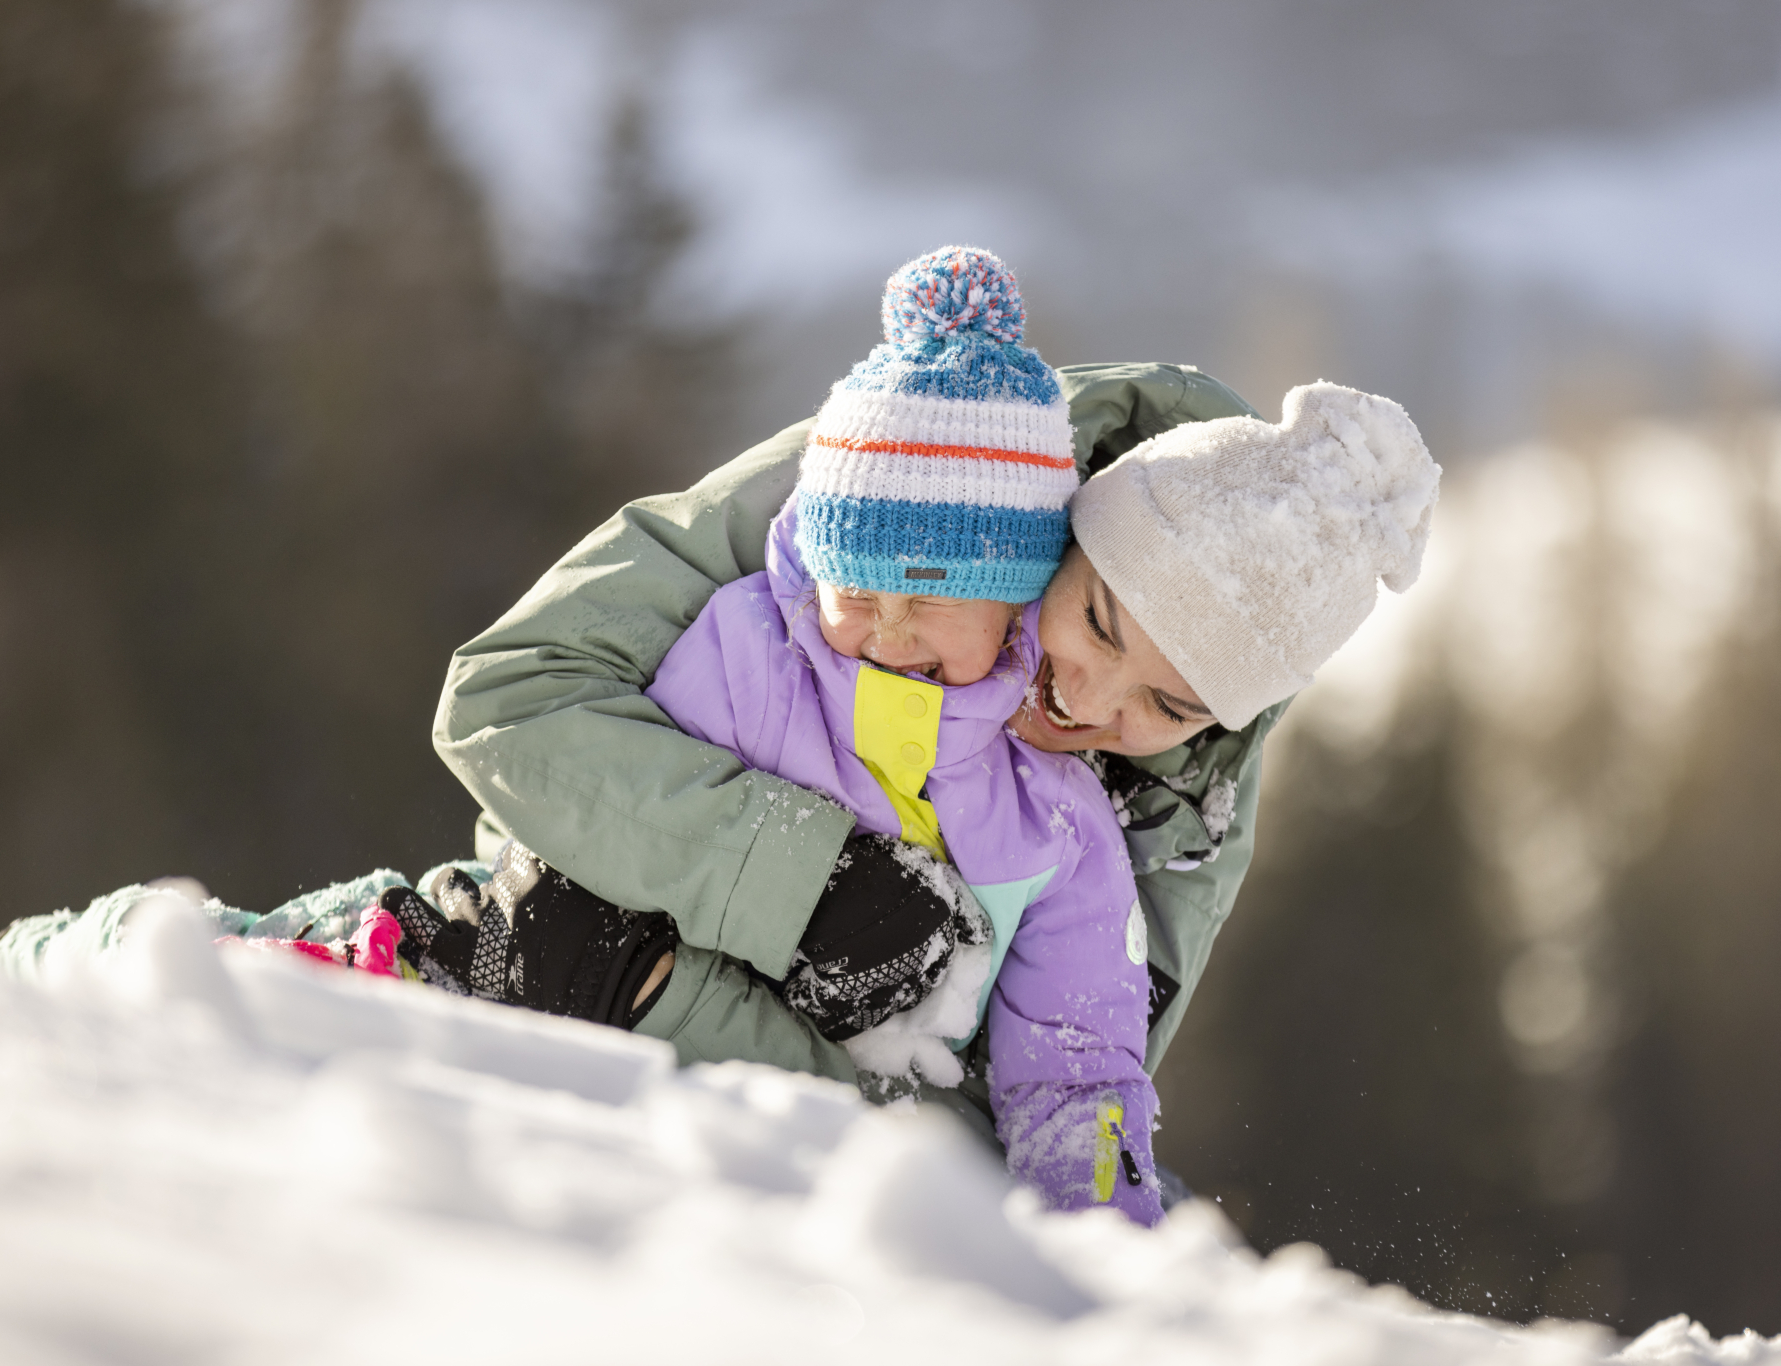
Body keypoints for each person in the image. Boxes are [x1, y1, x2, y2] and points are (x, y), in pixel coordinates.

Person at [420, 252, 1442, 1204]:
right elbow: (518, 716)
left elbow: (1055, 1097)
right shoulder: (883, 512)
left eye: (1166, 707)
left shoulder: (1115, 831)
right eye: (1093, 620)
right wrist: (804, 889)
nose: (1088, 703)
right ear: (1062, 532)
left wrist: (1105, 1233)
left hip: (765, 1137)